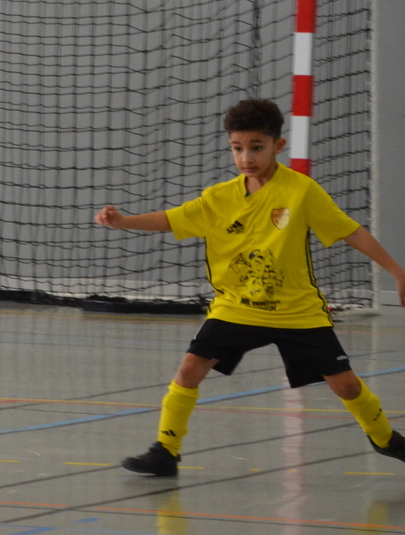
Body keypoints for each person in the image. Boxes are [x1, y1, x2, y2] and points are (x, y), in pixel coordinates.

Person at [96, 98, 405, 477]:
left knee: (346, 386)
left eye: (256, 147)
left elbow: (351, 232)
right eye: (237, 148)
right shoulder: (219, 198)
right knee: (190, 368)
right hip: (237, 307)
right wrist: (123, 220)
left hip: (297, 311)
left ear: (278, 145)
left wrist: (397, 272)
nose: (246, 158)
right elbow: (171, 219)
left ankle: (385, 439)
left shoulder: (301, 192)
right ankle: (166, 449)